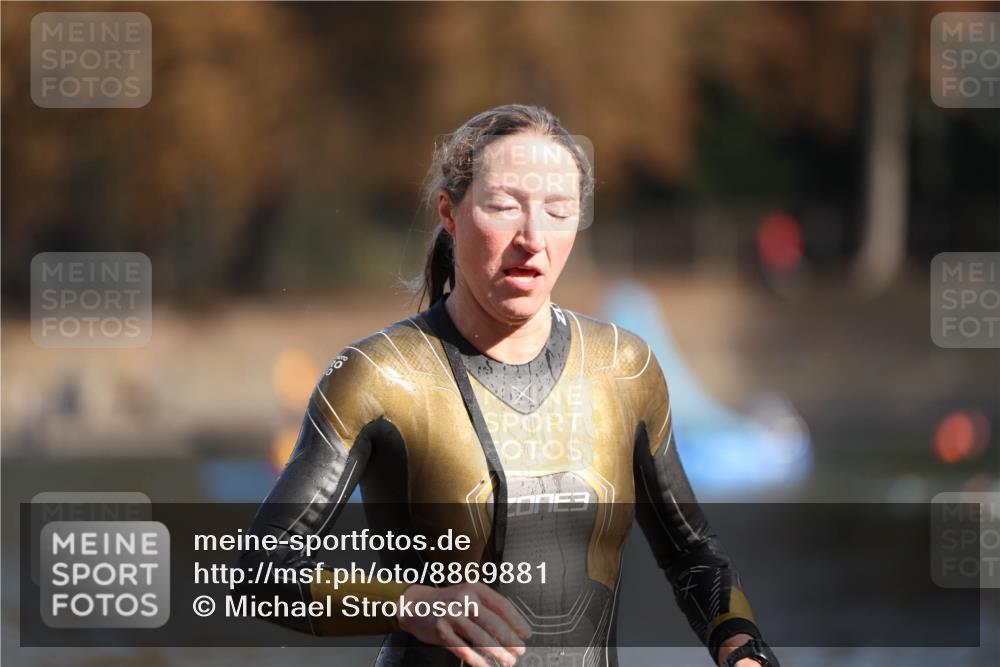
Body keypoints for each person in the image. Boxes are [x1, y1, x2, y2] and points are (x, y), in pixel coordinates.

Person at [239, 104, 780, 667]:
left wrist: (742, 650)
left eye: (558, 211)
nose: (533, 237)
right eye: (503, 207)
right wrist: (412, 603)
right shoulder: (381, 375)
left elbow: (693, 554)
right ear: (449, 214)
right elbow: (259, 572)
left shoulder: (624, 369)